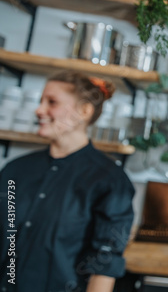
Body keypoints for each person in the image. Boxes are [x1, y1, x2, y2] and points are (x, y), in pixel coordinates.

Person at [0, 72, 135, 292]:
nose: (39, 110)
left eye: (51, 102)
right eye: (40, 101)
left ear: (84, 111)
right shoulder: (15, 170)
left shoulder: (110, 180)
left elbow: (104, 262)